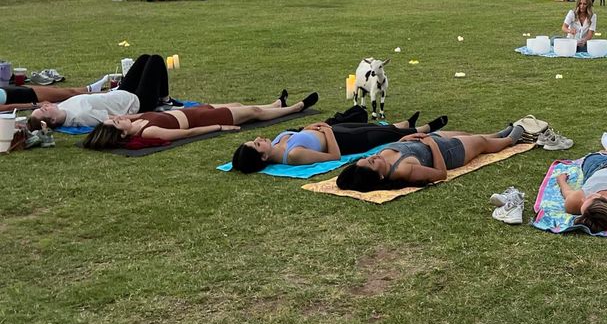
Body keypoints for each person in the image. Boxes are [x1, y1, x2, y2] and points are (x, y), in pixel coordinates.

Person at [230, 108, 446, 172]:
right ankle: (424, 129)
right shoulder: (293, 156)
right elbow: (334, 156)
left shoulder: (278, 142)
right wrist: (328, 133)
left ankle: (404, 123)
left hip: (333, 130)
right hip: (341, 140)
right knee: (382, 135)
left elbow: (301, 134)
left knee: (373, 126)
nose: (259, 138)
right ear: (264, 156)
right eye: (257, 144)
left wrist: (310, 127)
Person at [82, 91, 318, 150]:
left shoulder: (136, 121)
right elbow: (185, 134)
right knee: (253, 112)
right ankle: (296, 108)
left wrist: (110, 120)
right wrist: (219, 127)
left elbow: (116, 117)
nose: (118, 119)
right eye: (116, 124)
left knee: (238, 105)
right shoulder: (147, 133)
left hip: (197, 110)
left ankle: (276, 105)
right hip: (203, 118)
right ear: (122, 134)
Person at [334, 123, 527, 191]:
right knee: (482, 143)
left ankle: (499, 133)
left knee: (470, 135)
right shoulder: (403, 170)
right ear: (380, 177)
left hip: (427, 141)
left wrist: (405, 138)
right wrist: (433, 145)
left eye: (370, 158)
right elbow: (441, 173)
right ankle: (510, 139)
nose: (374, 158)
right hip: (448, 153)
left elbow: (402, 146)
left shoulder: (381, 157)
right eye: (372, 163)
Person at [27, 54, 173, 129]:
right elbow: (114, 118)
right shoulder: (80, 116)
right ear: (52, 120)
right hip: (138, 102)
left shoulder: (60, 107)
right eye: (44, 110)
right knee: (156, 60)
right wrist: (149, 115)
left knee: (144, 58)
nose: (44, 106)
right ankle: (166, 101)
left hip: (119, 94)